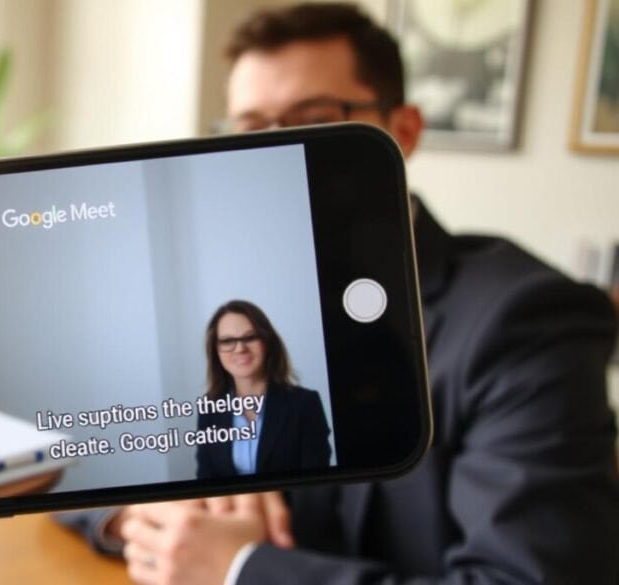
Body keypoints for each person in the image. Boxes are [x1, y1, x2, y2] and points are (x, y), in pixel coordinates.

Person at [58, 3, 619, 584]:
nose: (274, 152)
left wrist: (242, 569)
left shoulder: (526, 321)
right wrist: (138, 516)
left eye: (315, 118)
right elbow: (74, 454)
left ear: (403, 131)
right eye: (251, 128)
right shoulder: (226, 300)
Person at [196, 299, 330, 479]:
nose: (240, 348)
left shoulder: (305, 404)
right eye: (227, 341)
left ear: (266, 343)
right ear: (216, 351)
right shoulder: (209, 408)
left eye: (250, 337)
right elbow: (206, 479)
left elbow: (316, 483)